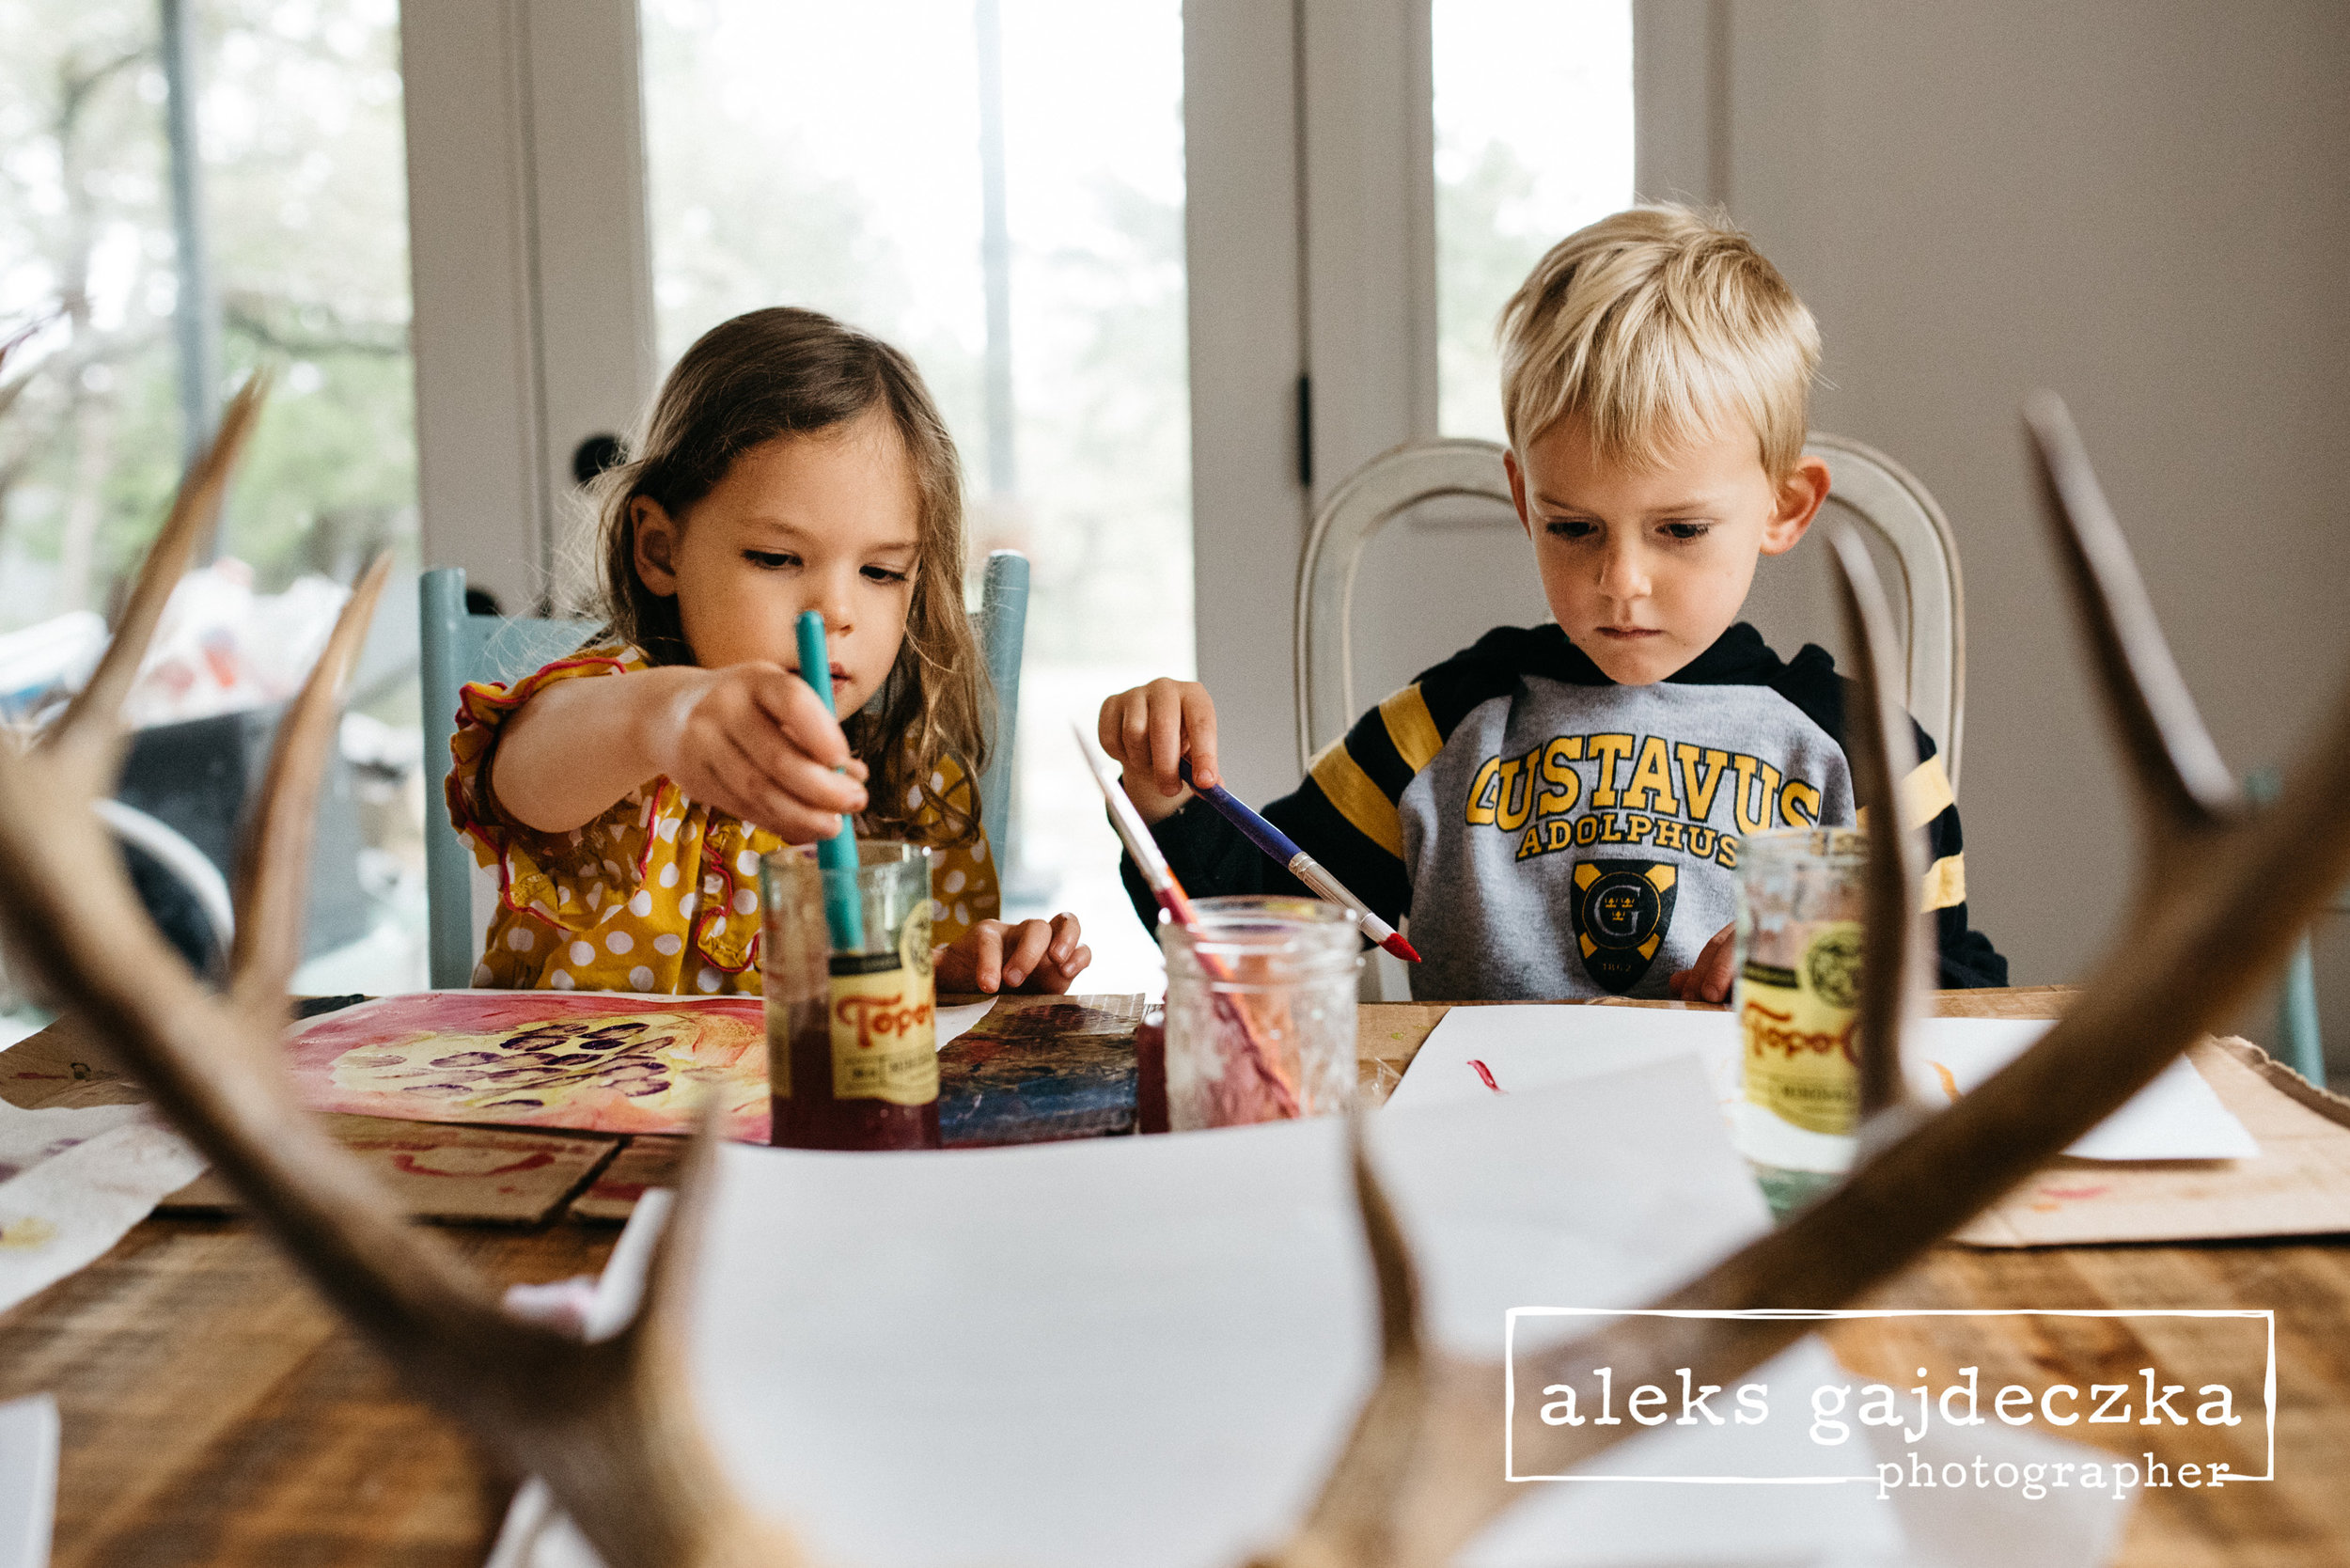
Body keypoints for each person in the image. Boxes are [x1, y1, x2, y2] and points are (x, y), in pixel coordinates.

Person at [1098, 205, 2004, 1001]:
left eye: (1680, 530)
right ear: (1524, 497)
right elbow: (1254, 929)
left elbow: (1958, 986)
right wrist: (1162, 804)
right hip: (1486, 1154)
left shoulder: (1868, 756)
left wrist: (1833, 961)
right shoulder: (1444, 725)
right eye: (1574, 529)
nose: (1622, 581)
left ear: (1785, 506)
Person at [448, 306, 1089, 996]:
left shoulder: (913, 780)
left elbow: (907, 995)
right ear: (661, 549)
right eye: (778, 558)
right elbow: (519, 782)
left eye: (881, 572)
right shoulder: (621, 710)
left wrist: (968, 967)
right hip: (555, 1101)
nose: (836, 612)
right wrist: (663, 719)